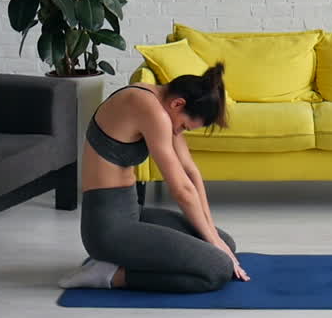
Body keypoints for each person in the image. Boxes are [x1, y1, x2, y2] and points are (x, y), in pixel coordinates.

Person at [58, 63, 251, 292]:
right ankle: (110, 275)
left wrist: (213, 236)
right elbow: (181, 189)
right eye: (184, 126)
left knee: (225, 242)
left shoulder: (164, 106)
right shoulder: (148, 108)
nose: (179, 132)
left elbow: (190, 172)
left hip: (132, 213)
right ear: (178, 104)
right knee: (217, 268)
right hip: (107, 229)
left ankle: (118, 263)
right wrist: (215, 245)